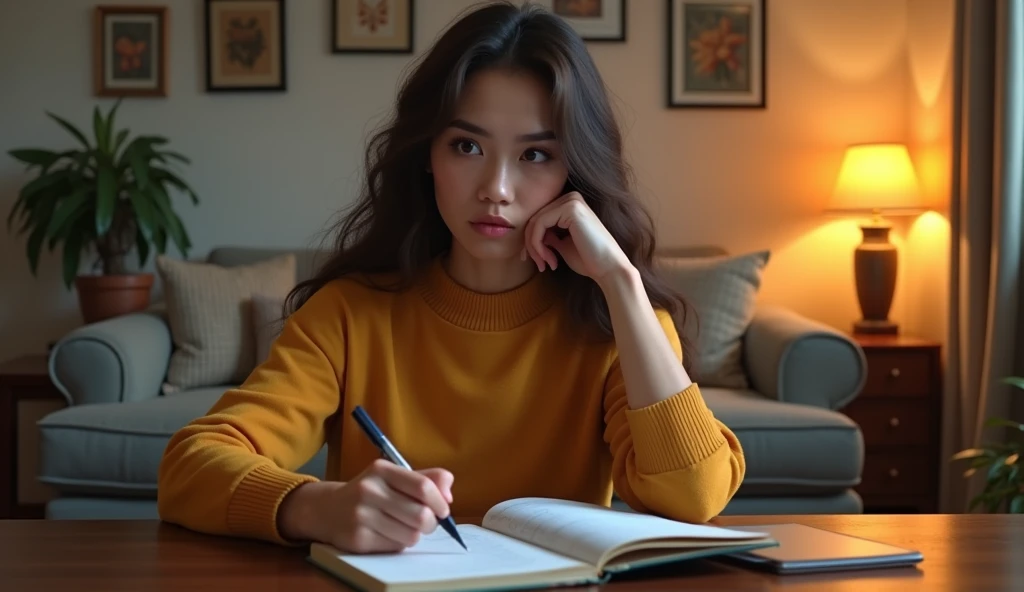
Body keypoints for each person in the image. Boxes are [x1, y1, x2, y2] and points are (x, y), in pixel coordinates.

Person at [157, 0, 745, 554]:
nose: (497, 188)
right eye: (467, 145)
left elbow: (693, 498)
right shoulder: (349, 314)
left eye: (536, 154)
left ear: (576, 171)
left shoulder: (621, 323)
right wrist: (317, 508)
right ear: (427, 157)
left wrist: (619, 280)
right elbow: (190, 466)